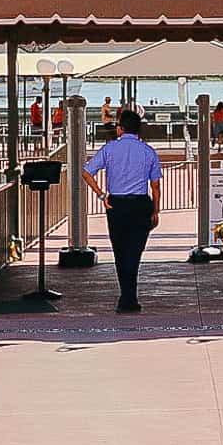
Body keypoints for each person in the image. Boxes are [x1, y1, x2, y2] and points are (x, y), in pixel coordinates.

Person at [81, 107, 162, 313]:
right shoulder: (148, 151)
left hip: (116, 204)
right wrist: (155, 210)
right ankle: (129, 297)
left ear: (121, 129)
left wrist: (101, 195)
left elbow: (87, 172)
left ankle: (126, 296)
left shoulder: (109, 149)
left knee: (120, 250)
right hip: (140, 204)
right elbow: (155, 186)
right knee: (135, 251)